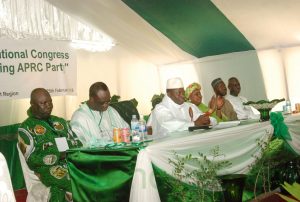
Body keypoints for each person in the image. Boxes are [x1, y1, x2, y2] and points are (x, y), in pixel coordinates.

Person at [18, 88, 82, 202]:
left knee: (92, 176)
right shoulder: (25, 128)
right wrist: (58, 155)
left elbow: (76, 142)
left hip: (72, 163)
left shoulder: (60, 121)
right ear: (32, 104)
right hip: (47, 170)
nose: (48, 105)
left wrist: (72, 151)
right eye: (43, 103)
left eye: (50, 101)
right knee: (74, 182)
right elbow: (31, 159)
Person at [151, 77, 217, 138]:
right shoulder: (160, 108)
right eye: (179, 93)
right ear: (168, 93)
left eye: (183, 92)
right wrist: (195, 123)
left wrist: (207, 121)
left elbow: (210, 119)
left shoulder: (190, 106)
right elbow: (170, 124)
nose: (182, 95)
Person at [70, 82, 129, 147]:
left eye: (108, 101)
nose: (106, 105)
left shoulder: (111, 110)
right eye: (102, 102)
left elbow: (126, 130)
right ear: (92, 99)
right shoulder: (79, 117)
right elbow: (79, 145)